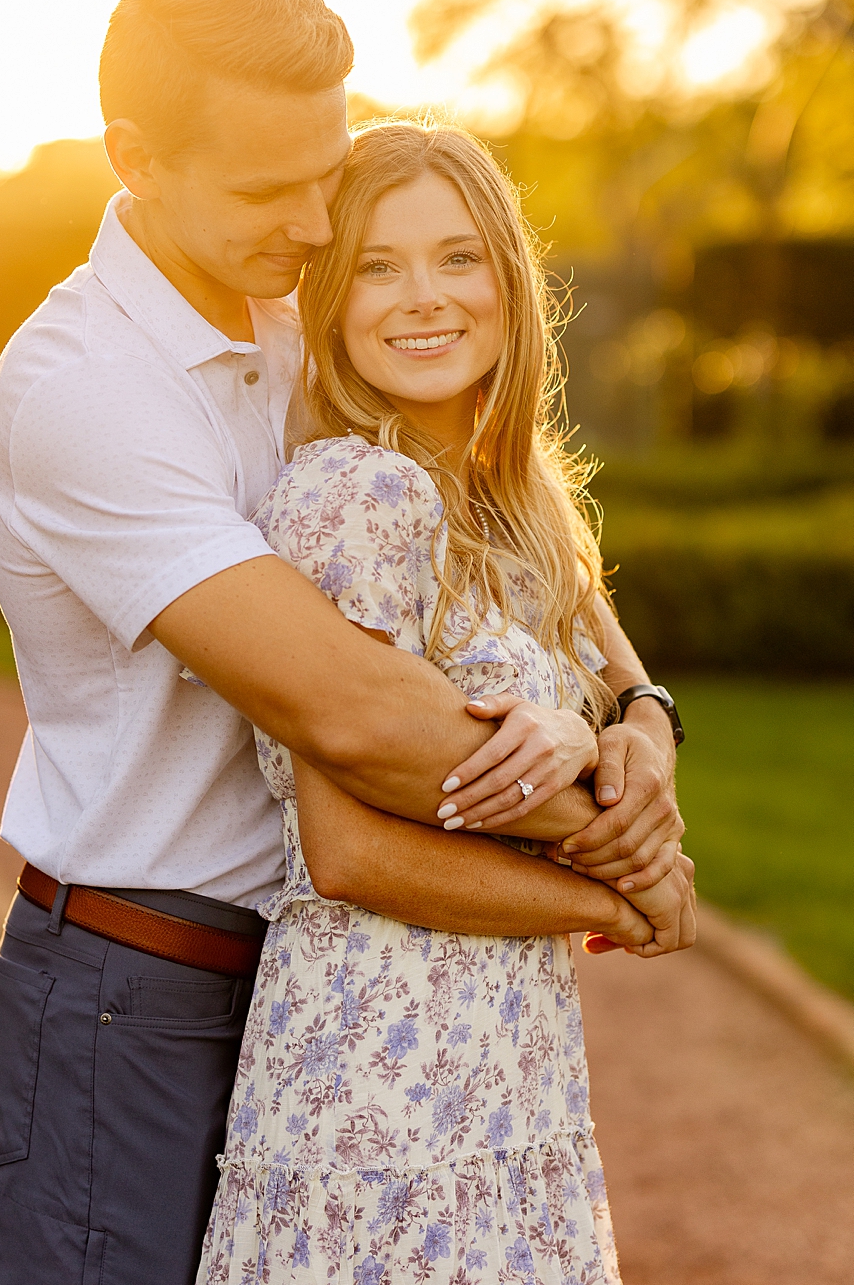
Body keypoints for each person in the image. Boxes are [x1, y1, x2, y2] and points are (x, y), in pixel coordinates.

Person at [0, 0, 690, 1285]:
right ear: (134, 158)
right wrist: (621, 835)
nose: (316, 219)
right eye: (272, 188)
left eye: (327, 170)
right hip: (134, 982)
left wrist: (644, 709)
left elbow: (508, 516)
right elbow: (353, 710)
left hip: (319, 976)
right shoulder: (88, 389)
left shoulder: (300, 303)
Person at [197, 119, 692, 1281]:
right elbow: (346, 855)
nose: (421, 298)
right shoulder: (357, 499)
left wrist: (635, 733)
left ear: (509, 284)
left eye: (457, 257)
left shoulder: (517, 495)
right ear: (329, 299)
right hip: (378, 1082)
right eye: (377, 265)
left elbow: (624, 681)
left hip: (509, 1065)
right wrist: (620, 902)